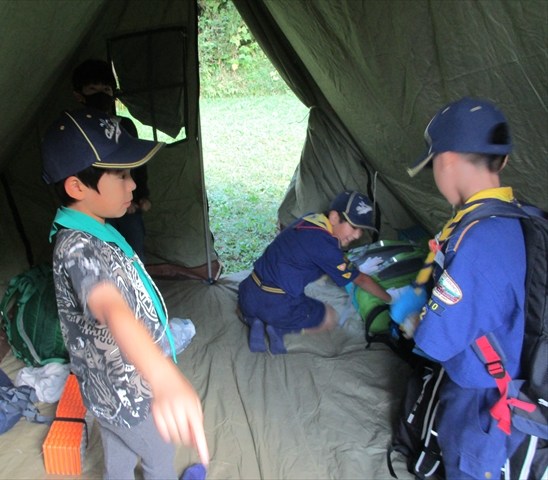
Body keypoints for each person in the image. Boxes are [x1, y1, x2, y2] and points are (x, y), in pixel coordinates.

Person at [41, 108, 209, 479]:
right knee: (160, 458)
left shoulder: (95, 228)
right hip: (133, 393)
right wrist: (162, 375)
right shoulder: (77, 248)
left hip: (107, 393)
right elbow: (110, 307)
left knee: (117, 454)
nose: (132, 185)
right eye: (120, 175)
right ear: (77, 187)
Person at [396, 97, 527, 479]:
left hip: (484, 397)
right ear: (501, 161)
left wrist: (410, 317)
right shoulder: (516, 216)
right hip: (514, 372)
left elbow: (436, 342)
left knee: (464, 463)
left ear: (447, 161)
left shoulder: (477, 242)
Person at [237, 190, 394, 354]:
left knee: (255, 299)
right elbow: (361, 280)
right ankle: (279, 329)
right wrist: (391, 298)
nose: (357, 235)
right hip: (277, 304)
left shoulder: (311, 219)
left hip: (249, 291)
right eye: (354, 226)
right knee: (329, 317)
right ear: (334, 217)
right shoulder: (327, 248)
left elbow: (323, 256)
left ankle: (251, 319)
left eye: (361, 229)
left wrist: (350, 267)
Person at [72, 59, 152, 263]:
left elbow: (137, 166)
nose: (100, 94)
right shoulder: (76, 130)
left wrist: (140, 195)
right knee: (104, 258)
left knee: (135, 254)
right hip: (96, 209)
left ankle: (137, 291)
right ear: (79, 95)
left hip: (127, 204)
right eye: (92, 88)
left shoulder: (124, 126)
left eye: (106, 89)